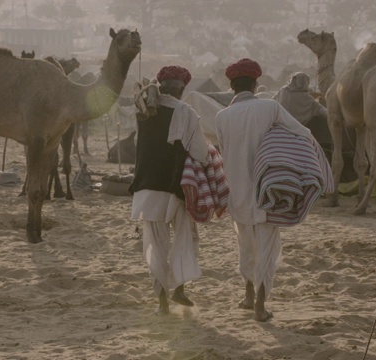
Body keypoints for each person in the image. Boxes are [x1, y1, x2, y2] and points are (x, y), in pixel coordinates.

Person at [215, 58, 315, 322]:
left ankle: (248, 296)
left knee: (244, 245)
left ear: (232, 86)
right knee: (268, 249)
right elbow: (302, 133)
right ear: (256, 83)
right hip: (268, 191)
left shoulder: (222, 116)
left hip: (236, 193)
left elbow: (223, 153)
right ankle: (260, 305)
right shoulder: (270, 107)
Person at [129, 65, 210, 314]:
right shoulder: (186, 112)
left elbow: (137, 144)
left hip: (147, 188)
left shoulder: (143, 111)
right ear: (183, 88)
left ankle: (162, 301)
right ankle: (179, 289)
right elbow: (201, 153)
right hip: (177, 189)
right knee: (186, 239)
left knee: (156, 245)